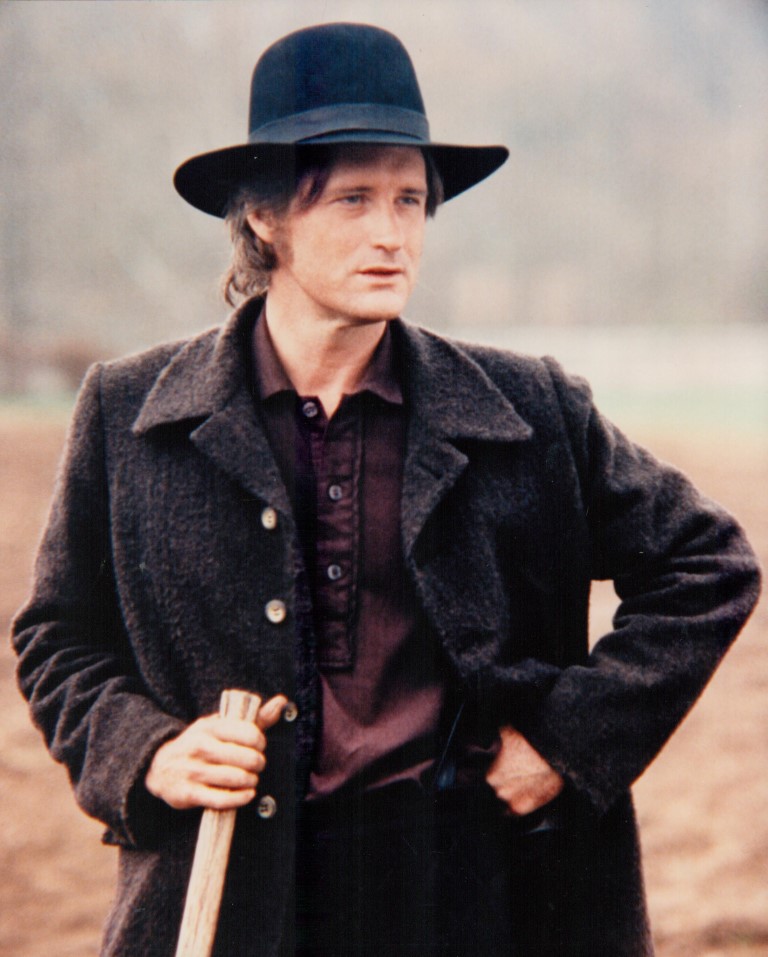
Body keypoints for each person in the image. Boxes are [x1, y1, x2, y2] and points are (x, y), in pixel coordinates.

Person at [12, 22, 760, 957]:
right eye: (353, 199)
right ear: (264, 216)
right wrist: (147, 750)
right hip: (239, 895)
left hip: (481, 894)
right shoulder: (128, 414)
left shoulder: (529, 409)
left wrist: (567, 740)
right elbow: (58, 637)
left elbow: (708, 563)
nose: (391, 234)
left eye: (410, 200)